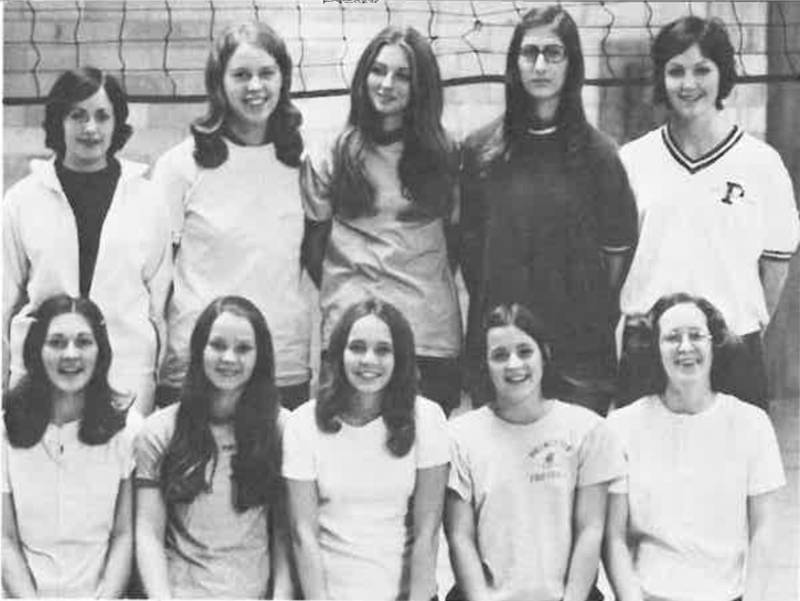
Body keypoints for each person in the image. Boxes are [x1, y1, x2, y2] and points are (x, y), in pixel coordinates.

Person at [460, 5, 638, 417]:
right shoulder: (481, 151)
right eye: (530, 53)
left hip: (579, 357)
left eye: (553, 53)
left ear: (571, 64)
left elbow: (616, 257)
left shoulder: (600, 156)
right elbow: (470, 253)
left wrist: (579, 303)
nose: (540, 65)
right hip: (503, 349)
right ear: (515, 62)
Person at [617, 16, 800, 409]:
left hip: (732, 347)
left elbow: (776, 267)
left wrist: (737, 326)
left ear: (723, 75)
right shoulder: (632, 161)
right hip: (649, 348)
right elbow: (615, 263)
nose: (688, 84)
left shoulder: (762, 163)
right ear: (661, 79)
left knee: (734, 469)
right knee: (644, 470)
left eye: (702, 70)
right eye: (676, 71)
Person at [301, 26, 462, 415]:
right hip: (351, 336)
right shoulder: (332, 154)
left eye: (403, 75)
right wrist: (358, 287)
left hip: (427, 337)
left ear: (421, 86)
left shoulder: (447, 155)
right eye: (378, 70)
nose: (386, 83)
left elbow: (456, 246)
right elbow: (314, 246)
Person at [152, 21, 312, 410]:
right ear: (219, 83)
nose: (255, 87)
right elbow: (158, 276)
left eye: (266, 74)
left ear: (283, 79)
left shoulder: (304, 163)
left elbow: (313, 262)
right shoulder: (180, 165)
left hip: (281, 363)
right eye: (241, 75)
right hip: (198, 365)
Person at [3, 67, 171, 416]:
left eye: (102, 116)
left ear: (117, 123)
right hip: (42, 371)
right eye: (77, 115)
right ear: (58, 121)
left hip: (125, 372)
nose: (91, 128)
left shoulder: (148, 198)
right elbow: (4, 299)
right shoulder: (22, 199)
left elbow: (158, 304)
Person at [604, 293, 785, 601]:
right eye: (672, 337)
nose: (685, 347)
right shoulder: (622, 427)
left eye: (696, 335)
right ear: (654, 348)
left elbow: (763, 532)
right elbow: (614, 537)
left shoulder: (751, 424)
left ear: (714, 344)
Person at [445, 303, 623, 601]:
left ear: (545, 354)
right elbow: (459, 536)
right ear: (485, 364)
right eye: (500, 355)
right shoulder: (460, 436)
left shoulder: (587, 430)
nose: (514, 365)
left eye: (525, 351)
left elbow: (590, 529)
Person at [283, 298, 449, 600]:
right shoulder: (302, 423)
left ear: (400, 358)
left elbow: (428, 533)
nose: (368, 360)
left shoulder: (428, 418)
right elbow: (302, 533)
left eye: (383, 350)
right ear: (338, 354)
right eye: (357, 347)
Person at [134, 296, 291, 598]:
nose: (229, 358)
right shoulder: (159, 430)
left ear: (261, 357)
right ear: (199, 349)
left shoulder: (281, 429)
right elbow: (148, 533)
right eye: (218, 345)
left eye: (243, 348)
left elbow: (285, 534)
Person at [2, 295, 136, 598]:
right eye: (57, 342)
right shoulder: (4, 431)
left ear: (100, 351)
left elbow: (123, 535)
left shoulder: (126, 430)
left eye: (84, 342)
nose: (71, 354)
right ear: (37, 351)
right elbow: (5, 539)